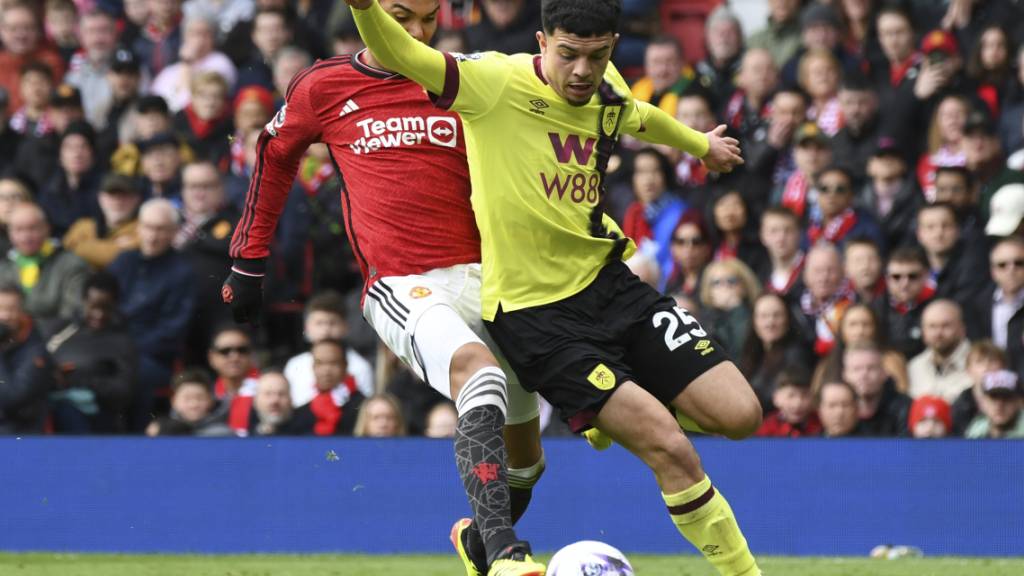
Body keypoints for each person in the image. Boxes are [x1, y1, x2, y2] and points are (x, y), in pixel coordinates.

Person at [346, 1, 760, 575]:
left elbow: (636, 114)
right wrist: (362, 5)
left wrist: (699, 144)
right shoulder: (490, 83)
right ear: (542, 42)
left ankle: (605, 407)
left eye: (597, 56)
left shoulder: (607, 85)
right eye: (568, 54)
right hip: (536, 316)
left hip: (610, 285)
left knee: (741, 415)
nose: (582, 72)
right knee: (670, 446)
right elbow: (400, 52)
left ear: (613, 46)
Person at [221, 2, 545, 574]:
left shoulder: (469, 75)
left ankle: (478, 541)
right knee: (480, 374)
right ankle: (505, 552)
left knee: (526, 461)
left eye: (427, 18)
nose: (416, 33)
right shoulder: (326, 85)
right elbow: (275, 158)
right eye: (402, 17)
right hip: (404, 283)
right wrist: (248, 260)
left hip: (497, 283)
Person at [108, 198, 196, 431]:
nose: (152, 235)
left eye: (160, 229)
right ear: (138, 227)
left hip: (152, 356)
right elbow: (103, 305)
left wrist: (126, 350)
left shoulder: (182, 272)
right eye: (147, 227)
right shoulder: (123, 262)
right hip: (112, 346)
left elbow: (173, 329)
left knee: (137, 377)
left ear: (174, 232)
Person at [46, 271, 136, 434]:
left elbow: (124, 391)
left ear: (116, 304)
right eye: (93, 307)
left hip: (94, 415)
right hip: (44, 405)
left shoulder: (121, 343)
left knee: (67, 410)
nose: (99, 314)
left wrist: (78, 382)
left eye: (106, 308)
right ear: (83, 301)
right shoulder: (60, 330)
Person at [0, 202, 89, 332]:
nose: (26, 237)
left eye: (32, 228)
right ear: (9, 233)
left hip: (55, 339)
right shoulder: (5, 268)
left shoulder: (71, 264)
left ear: (47, 228)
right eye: (18, 229)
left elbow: (72, 314)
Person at [739, 293, 814, 413]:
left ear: (788, 319)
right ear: (754, 321)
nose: (770, 323)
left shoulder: (797, 354)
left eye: (777, 315)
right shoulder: (753, 352)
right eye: (763, 316)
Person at [0, 282, 56, 434]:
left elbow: (12, 399)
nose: (4, 316)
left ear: (22, 311)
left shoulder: (36, 351)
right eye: (0, 308)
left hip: (22, 435)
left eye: (11, 309)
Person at [62, 173, 142, 269]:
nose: (117, 201)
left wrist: (79, 246)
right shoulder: (83, 225)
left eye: (124, 196)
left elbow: (113, 258)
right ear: (101, 198)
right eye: (111, 195)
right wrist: (115, 247)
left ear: (136, 199)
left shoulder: (145, 228)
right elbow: (65, 250)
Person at [874, 246, 935, 359]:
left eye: (912, 276)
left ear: (926, 276)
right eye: (896, 277)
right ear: (887, 278)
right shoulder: (873, 310)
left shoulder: (938, 309)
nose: (905, 283)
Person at [907, 299, 973, 403]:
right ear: (923, 331)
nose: (938, 333)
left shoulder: (981, 364)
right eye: (932, 326)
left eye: (946, 326)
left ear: (962, 329)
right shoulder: (915, 366)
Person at [843, 342, 912, 436]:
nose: (864, 375)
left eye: (871, 368)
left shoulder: (905, 408)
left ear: (884, 372)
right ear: (845, 375)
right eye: (857, 369)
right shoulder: (837, 409)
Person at [145, 369, 235, 437]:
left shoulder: (224, 435)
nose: (194, 404)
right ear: (173, 401)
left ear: (211, 400)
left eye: (200, 398)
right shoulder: (160, 432)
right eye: (187, 398)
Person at [756, 369, 821, 438]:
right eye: (791, 395)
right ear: (776, 398)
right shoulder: (766, 429)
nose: (798, 403)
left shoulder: (821, 423)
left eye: (805, 395)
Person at [758, 207, 804, 300]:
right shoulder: (758, 275)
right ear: (763, 236)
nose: (781, 238)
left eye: (788, 230)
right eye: (774, 231)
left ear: (798, 234)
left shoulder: (811, 269)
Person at [964, 370, 1024, 438]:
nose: (999, 405)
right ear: (982, 403)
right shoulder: (975, 432)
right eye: (993, 398)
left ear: (1020, 402)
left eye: (1006, 398)